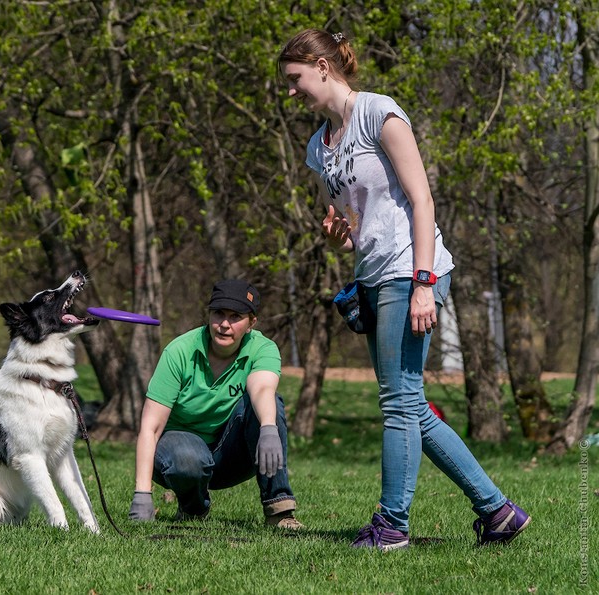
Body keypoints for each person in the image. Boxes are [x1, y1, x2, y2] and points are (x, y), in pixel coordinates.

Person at [277, 28, 530, 549]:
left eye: (295, 79)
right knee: (409, 404)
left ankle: (391, 526)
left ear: (323, 68)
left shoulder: (379, 113)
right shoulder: (316, 148)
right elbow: (357, 223)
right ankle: (497, 511)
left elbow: (421, 200)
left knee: (397, 402)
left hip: (410, 268)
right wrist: (340, 235)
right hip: (369, 273)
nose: (291, 92)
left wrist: (422, 282)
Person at [128, 279, 303, 529]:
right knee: (188, 457)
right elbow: (150, 427)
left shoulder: (262, 349)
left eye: (235, 316)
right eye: (218, 313)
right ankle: (193, 507)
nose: (224, 324)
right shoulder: (179, 351)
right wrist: (142, 495)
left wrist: (267, 428)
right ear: (208, 315)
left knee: (269, 405)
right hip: (178, 456)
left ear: (252, 322)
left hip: (232, 455)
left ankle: (279, 511)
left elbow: (262, 388)